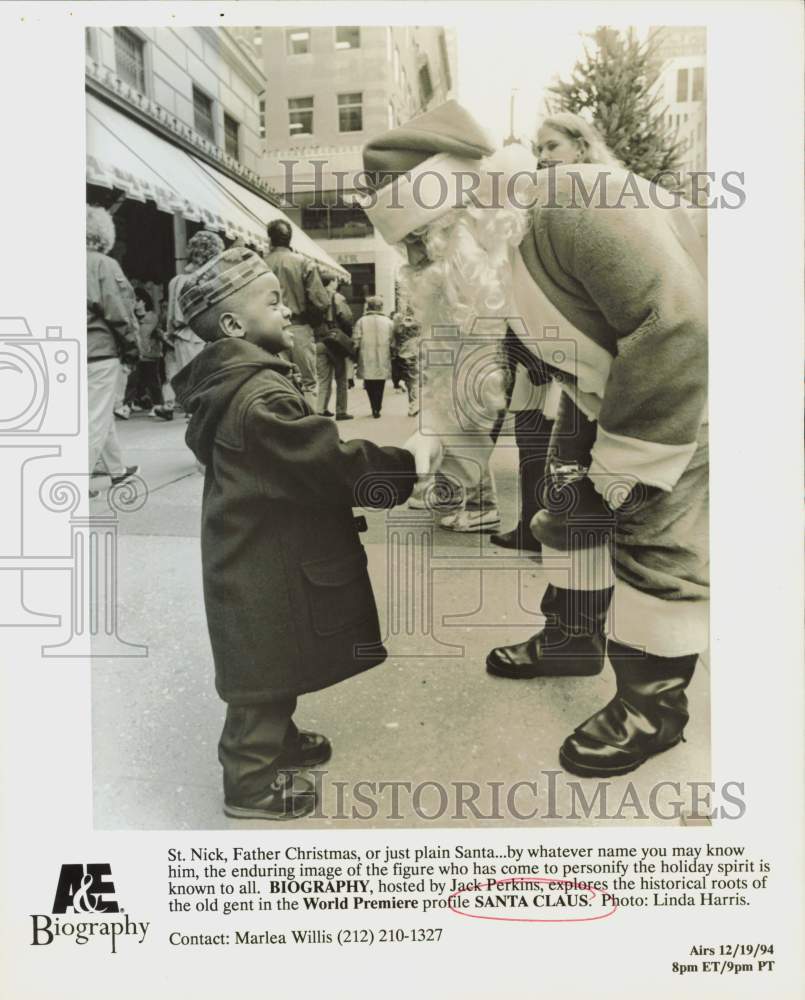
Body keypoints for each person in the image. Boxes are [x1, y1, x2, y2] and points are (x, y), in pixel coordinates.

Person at [361, 100, 708, 779]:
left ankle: (651, 707)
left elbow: (677, 325)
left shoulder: (576, 204)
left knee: (653, 522)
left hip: (689, 376)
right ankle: (573, 637)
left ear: (460, 207)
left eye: (419, 238)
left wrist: (630, 463)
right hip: (606, 383)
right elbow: (485, 368)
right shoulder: (492, 250)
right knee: (570, 501)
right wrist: (429, 442)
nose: (415, 260)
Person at [171, 248, 428, 820]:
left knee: (275, 655)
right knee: (259, 674)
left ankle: (279, 744)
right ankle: (251, 784)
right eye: (272, 302)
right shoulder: (259, 397)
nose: (287, 311)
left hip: (264, 554)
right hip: (263, 563)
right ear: (235, 326)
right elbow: (327, 462)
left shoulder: (244, 383)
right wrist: (406, 466)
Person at [491, 112, 623, 554]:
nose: (543, 157)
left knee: (563, 454)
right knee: (544, 447)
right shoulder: (552, 199)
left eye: (552, 147)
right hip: (549, 354)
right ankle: (540, 531)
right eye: (539, 149)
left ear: (581, 147)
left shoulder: (591, 200)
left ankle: (548, 538)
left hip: (572, 356)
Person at [86, 205, 139, 496]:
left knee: (97, 413)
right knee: (95, 417)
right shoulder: (102, 264)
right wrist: (132, 348)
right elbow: (119, 311)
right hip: (100, 351)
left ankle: (117, 471)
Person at [157, 230, 225, 420]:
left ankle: (194, 410)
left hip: (183, 336)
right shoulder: (208, 281)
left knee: (189, 376)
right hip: (200, 334)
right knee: (202, 377)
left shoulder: (177, 281)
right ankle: (198, 412)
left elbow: (173, 318)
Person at [264, 218, 330, 409]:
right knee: (308, 381)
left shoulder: (261, 264)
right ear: (289, 239)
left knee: (279, 380)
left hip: (270, 329)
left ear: (271, 239)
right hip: (299, 327)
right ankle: (309, 425)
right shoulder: (304, 263)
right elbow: (321, 301)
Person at [315, 275, 354, 420]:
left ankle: (320, 410)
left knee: (323, 379)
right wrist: (346, 336)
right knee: (341, 378)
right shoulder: (337, 297)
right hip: (334, 341)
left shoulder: (315, 296)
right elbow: (347, 317)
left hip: (318, 340)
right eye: (336, 280)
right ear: (332, 282)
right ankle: (341, 411)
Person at [354, 295, 393, 418]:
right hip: (383, 354)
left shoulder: (361, 321)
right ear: (381, 307)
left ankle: (373, 406)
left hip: (366, 355)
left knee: (369, 381)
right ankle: (378, 406)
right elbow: (393, 340)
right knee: (380, 382)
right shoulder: (388, 322)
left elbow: (356, 340)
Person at [391, 308, 421, 417]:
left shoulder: (399, 323)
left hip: (403, 354)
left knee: (410, 381)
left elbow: (395, 339)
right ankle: (413, 405)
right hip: (414, 353)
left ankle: (413, 404)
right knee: (412, 381)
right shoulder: (418, 322)